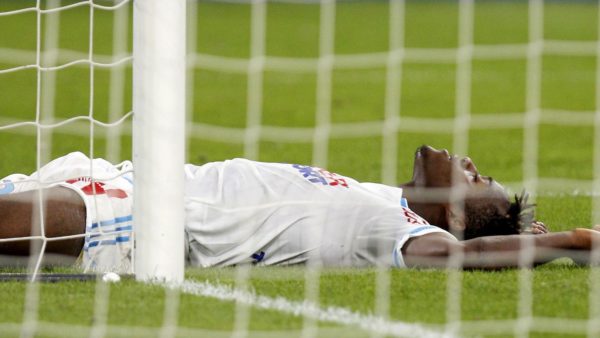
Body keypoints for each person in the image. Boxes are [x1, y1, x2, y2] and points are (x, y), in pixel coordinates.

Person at [0, 145, 597, 273]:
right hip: (115, 179)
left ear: (458, 216)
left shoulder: (397, 225)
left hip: (148, 217)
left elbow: (454, 257)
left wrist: (569, 243)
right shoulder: (379, 194)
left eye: (479, 178)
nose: (470, 162)